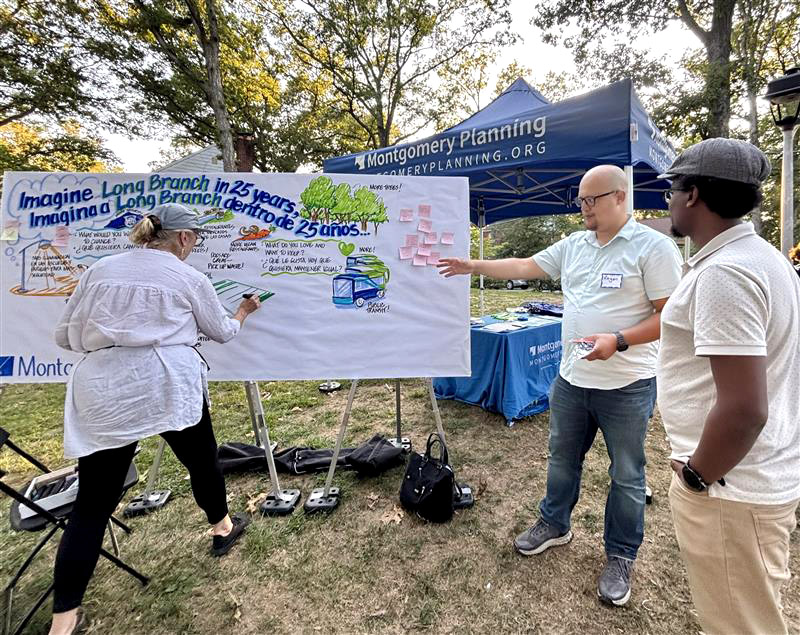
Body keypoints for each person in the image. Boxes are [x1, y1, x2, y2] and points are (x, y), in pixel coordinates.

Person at [438, 165, 682, 605]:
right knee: (561, 460)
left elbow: (670, 316)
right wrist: (471, 264)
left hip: (627, 383)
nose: (583, 208)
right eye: (581, 201)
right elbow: (525, 265)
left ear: (619, 197)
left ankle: (621, 554)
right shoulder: (575, 244)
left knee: (627, 475)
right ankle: (555, 524)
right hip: (571, 379)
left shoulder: (654, 247)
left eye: (592, 200)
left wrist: (619, 340)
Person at [48, 204, 261, 635]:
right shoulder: (186, 276)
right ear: (182, 238)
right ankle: (221, 528)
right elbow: (221, 331)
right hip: (167, 383)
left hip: (105, 386)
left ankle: (63, 619)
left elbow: (65, 332)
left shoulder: (99, 270)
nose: (195, 245)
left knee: (93, 502)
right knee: (202, 461)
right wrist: (243, 312)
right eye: (196, 238)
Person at [656, 138, 800, 634]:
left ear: (692, 195)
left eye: (672, 190)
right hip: (751, 483)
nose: (668, 201)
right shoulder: (764, 258)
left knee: (739, 626)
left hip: (730, 491)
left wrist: (698, 475)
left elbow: (744, 409)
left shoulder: (726, 273)